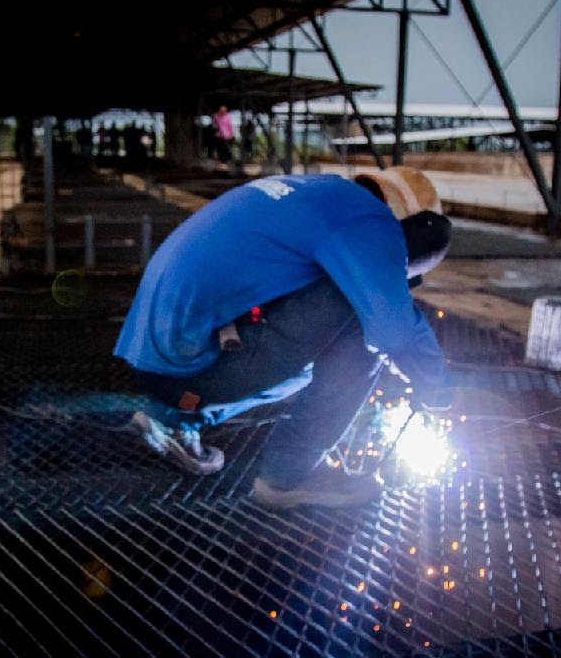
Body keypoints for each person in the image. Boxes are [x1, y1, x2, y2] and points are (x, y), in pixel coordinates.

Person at [114, 166, 456, 509]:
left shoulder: (322, 194)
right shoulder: (369, 222)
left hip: (156, 361)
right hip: (189, 365)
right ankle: (291, 474)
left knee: (313, 356)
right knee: (359, 314)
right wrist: (436, 388)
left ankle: (173, 420)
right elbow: (392, 330)